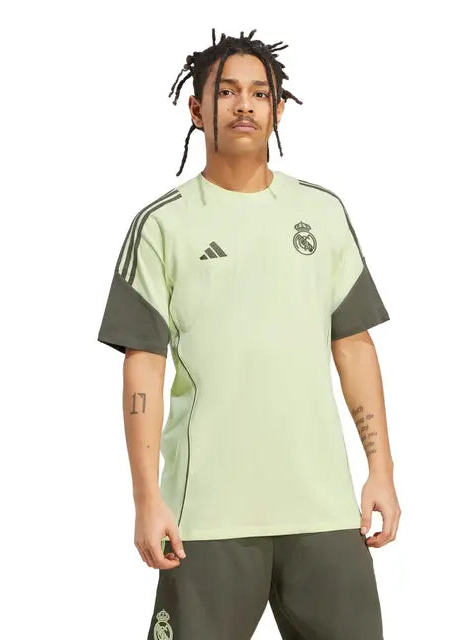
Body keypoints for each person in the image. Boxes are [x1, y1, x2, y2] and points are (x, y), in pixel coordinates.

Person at [97, 27, 400, 640]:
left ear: (278, 110)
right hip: (206, 520)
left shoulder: (322, 214)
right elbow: (143, 367)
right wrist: (147, 499)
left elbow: (354, 347)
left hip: (323, 513)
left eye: (260, 93)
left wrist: (382, 470)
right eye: (227, 91)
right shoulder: (162, 226)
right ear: (196, 109)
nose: (244, 105)